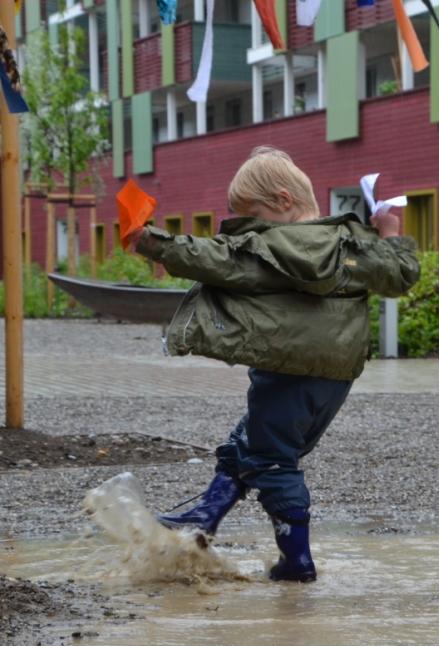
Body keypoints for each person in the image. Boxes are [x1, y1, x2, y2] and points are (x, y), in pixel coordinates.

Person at [127, 146, 420, 583]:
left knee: (272, 460)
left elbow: (210, 257)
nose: (250, 225)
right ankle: (205, 515)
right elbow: (402, 273)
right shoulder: (352, 247)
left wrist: (149, 241)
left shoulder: (268, 247)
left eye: (252, 215)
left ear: (283, 201)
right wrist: (390, 232)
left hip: (284, 370)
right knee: (251, 441)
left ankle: (297, 562)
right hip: (335, 378)